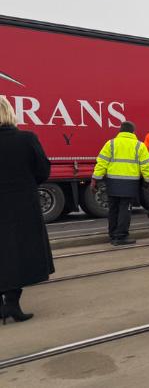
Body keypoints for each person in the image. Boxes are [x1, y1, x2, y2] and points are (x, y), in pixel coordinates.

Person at [0, 96, 53, 324]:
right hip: (22, 204)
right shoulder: (26, 139)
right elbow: (43, 170)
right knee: (18, 252)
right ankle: (12, 303)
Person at [92, 121, 149, 245]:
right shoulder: (139, 146)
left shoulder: (111, 144)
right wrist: (148, 181)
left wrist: (95, 179)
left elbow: (101, 163)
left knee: (113, 209)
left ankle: (113, 234)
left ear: (120, 131)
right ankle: (121, 236)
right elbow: (146, 166)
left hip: (112, 183)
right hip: (130, 184)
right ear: (133, 132)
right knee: (125, 209)